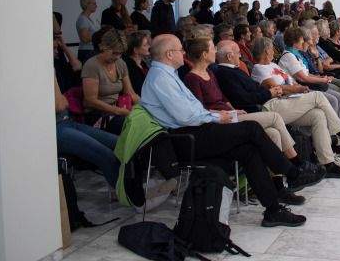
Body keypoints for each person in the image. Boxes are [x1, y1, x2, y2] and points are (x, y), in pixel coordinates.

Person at [140, 34, 326, 227]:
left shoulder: (168, 75)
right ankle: (293, 172)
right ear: (169, 54)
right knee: (252, 128)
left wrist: (218, 114)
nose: (184, 53)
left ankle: (273, 210)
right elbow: (185, 116)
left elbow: (193, 109)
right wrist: (217, 116)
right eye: (180, 50)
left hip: (194, 131)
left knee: (249, 150)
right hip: (184, 139)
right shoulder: (161, 78)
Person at [217, 37, 340, 178]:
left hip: (280, 101)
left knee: (317, 114)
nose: (240, 56)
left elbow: (258, 90)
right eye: (237, 53)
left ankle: (327, 162)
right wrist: (272, 92)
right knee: (318, 97)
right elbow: (248, 98)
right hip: (269, 106)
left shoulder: (236, 70)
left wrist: (274, 91)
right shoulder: (227, 73)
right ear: (229, 56)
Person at [182, 35, 308, 204]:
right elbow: (199, 109)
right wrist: (226, 113)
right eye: (213, 48)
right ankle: (296, 165)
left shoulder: (210, 73)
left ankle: (279, 187)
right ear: (204, 54)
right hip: (219, 121)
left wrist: (234, 110)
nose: (215, 51)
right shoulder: (192, 78)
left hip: (231, 115)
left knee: (273, 133)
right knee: (274, 117)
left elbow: (223, 97)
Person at [55, 73, 120, 188]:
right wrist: (53, 73)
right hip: (56, 128)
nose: (56, 53)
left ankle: (135, 188)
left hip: (68, 121)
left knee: (120, 144)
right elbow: (60, 105)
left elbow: (65, 103)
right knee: (105, 154)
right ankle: (129, 196)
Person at [81, 29, 141, 134]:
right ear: (104, 47)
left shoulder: (120, 63)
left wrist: (147, 108)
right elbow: (90, 101)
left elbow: (130, 93)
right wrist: (117, 111)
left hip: (116, 111)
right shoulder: (92, 65)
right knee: (136, 127)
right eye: (115, 53)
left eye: (120, 54)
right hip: (98, 115)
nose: (117, 57)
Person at [123, 30, 151, 95]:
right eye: (145, 45)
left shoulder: (142, 64)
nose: (149, 46)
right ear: (136, 50)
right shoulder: (129, 66)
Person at [76, 0, 101, 64]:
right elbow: (84, 38)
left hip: (91, 50)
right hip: (87, 51)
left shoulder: (87, 18)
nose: (96, 6)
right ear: (87, 5)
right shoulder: (83, 19)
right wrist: (98, 36)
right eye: (94, 4)